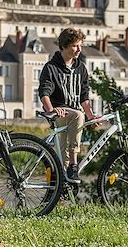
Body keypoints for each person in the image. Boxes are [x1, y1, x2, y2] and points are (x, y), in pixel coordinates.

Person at [38, 28, 97, 184]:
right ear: (64, 46)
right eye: (75, 46)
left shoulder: (81, 68)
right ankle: (74, 164)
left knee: (61, 157)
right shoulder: (51, 67)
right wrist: (51, 110)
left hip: (73, 115)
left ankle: (59, 193)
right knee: (78, 115)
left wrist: (91, 117)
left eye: (80, 46)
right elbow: (44, 92)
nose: (79, 50)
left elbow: (84, 97)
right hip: (59, 114)